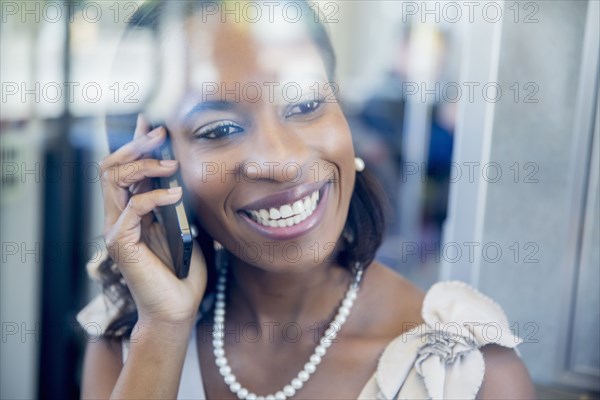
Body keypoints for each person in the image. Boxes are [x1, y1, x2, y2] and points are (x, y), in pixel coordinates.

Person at [77, 1, 535, 398]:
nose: (283, 161)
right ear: (155, 165)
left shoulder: (465, 374)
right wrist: (164, 329)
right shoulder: (133, 339)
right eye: (219, 130)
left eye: (306, 105)